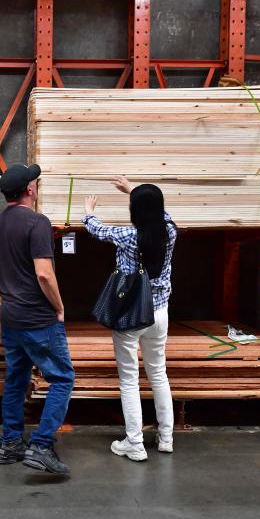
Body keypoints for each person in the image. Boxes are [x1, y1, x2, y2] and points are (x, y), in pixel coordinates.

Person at [83, 176, 177, 462]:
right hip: (159, 312)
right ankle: (166, 438)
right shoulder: (171, 232)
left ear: (136, 211)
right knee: (158, 374)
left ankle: (134, 444)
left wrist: (88, 213)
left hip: (131, 315)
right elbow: (161, 214)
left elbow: (98, 230)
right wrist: (134, 191)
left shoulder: (129, 237)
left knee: (129, 380)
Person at [0, 163, 74, 475]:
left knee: (16, 379)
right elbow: (44, 273)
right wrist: (60, 307)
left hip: (10, 316)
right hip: (38, 318)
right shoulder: (37, 222)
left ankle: (10, 444)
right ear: (29, 190)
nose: (36, 186)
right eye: (35, 183)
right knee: (63, 379)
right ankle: (41, 446)